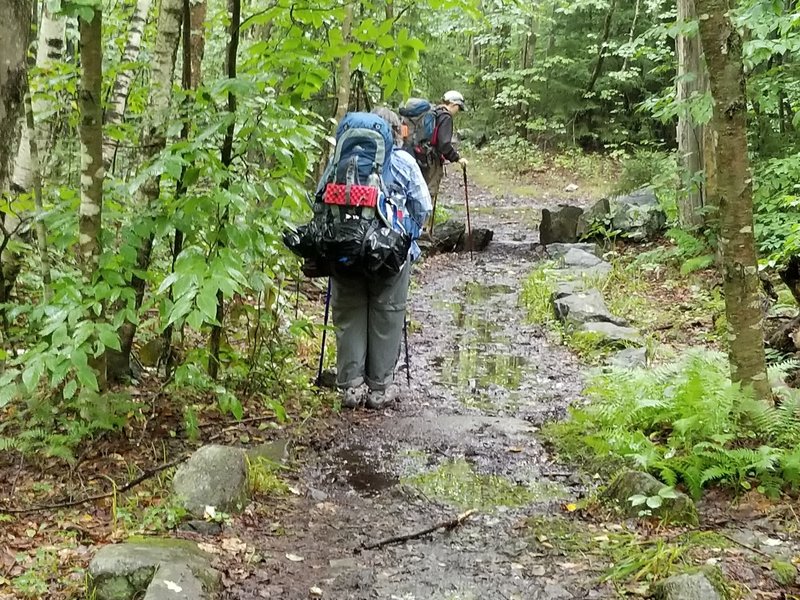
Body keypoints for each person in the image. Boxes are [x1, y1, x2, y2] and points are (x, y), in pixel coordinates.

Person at [329, 107, 432, 410]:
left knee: (349, 313)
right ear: (395, 132)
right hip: (389, 254)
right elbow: (422, 207)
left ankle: (351, 387)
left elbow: (321, 203)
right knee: (387, 314)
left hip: (345, 250)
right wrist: (406, 236)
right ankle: (378, 389)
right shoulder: (403, 163)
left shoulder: (339, 161)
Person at [422, 90, 468, 200]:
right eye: (459, 108)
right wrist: (457, 158)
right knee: (429, 193)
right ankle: (426, 217)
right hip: (432, 160)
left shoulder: (434, 112)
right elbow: (444, 144)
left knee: (421, 189)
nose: (458, 111)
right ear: (453, 104)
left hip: (420, 155)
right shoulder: (445, 117)